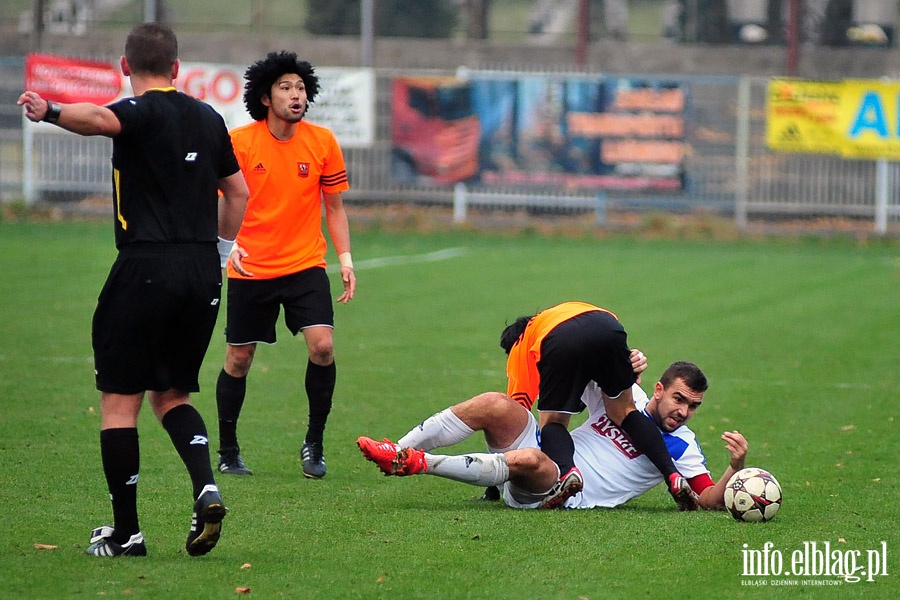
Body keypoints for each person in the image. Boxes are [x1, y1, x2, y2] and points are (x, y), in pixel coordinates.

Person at [18, 23, 250, 557]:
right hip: (200, 271)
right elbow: (237, 191)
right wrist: (218, 250)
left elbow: (100, 118)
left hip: (145, 266)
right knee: (172, 394)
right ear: (176, 67)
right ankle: (205, 486)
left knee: (120, 403)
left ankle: (128, 533)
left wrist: (50, 110)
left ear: (126, 66)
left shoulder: (138, 109)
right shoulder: (209, 117)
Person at [214, 51, 355, 479]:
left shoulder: (322, 141)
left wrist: (345, 259)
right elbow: (218, 197)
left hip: (304, 265)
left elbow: (334, 208)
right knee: (239, 359)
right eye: (285, 88)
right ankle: (228, 449)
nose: (296, 96)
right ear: (264, 97)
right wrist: (227, 245)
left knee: (323, 347)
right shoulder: (240, 142)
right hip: (251, 265)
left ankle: (314, 444)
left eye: (301, 88)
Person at [358, 361, 748, 510]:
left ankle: (417, 464)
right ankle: (398, 448)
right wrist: (625, 362)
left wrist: (736, 468)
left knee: (533, 461)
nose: (683, 412)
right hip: (545, 447)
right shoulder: (627, 399)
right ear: (659, 391)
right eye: (679, 399)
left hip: (554, 487)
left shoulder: (684, 447)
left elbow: (707, 499)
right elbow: (592, 367)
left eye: (693, 406)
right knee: (496, 403)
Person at [496, 301, 697, 509]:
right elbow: (586, 371)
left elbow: (514, 416)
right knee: (625, 411)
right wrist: (629, 367)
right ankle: (672, 474)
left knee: (553, 422)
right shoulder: (560, 311)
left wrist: (496, 484)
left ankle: (567, 472)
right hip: (609, 326)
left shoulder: (522, 345)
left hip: (562, 340)